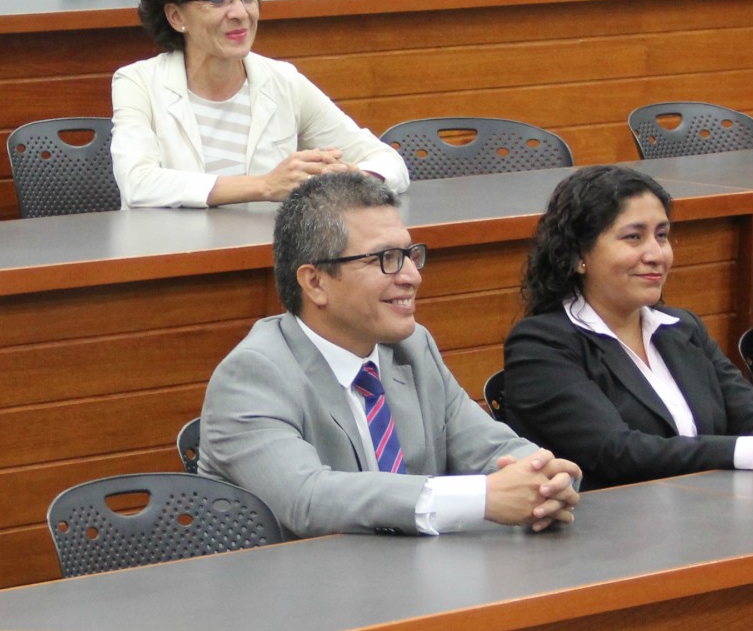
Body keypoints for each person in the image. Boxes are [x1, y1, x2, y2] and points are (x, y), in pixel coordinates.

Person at [199, 172, 579, 538]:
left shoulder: (412, 348)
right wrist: (480, 498)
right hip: (304, 579)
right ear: (315, 282)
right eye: (385, 258)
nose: (412, 276)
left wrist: (545, 480)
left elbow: (491, 448)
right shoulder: (254, 374)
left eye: (410, 255)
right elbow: (308, 498)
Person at [502, 166, 753, 490]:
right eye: (633, 237)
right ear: (579, 254)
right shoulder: (541, 345)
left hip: (710, 510)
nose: (656, 254)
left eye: (662, 235)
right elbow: (616, 452)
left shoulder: (682, 328)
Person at [110, 0, 408, 209]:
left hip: (267, 246)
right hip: (173, 245)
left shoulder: (283, 81)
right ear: (176, 16)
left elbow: (388, 162)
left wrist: (352, 178)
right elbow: (138, 183)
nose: (240, 13)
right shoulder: (138, 82)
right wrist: (265, 186)